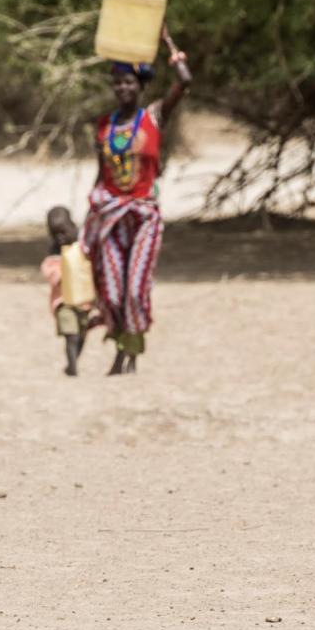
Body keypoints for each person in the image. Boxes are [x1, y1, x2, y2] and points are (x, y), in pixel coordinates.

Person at [83, 25, 192, 375]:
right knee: (112, 292)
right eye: (117, 83)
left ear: (140, 86)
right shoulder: (103, 126)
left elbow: (185, 82)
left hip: (144, 215)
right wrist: (90, 219)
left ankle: (128, 355)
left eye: (129, 82)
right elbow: (101, 174)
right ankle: (119, 345)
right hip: (111, 214)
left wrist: (169, 45)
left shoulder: (154, 117)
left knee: (134, 290)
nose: (123, 88)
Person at [41, 206, 95, 376]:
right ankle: (72, 367)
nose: (60, 238)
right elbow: (48, 270)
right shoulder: (55, 256)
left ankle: (74, 361)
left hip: (84, 302)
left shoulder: (82, 250)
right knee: (70, 334)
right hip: (63, 302)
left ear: (73, 226)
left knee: (82, 334)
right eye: (55, 234)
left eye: (63, 232)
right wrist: (60, 275)